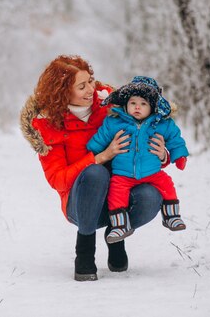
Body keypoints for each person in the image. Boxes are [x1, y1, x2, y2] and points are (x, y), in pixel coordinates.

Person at [20, 55, 169, 282]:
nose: (91, 89)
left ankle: (115, 235)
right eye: (82, 86)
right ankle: (85, 252)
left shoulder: (113, 106)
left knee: (151, 195)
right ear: (63, 92)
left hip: (119, 193)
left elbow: (145, 136)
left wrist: (162, 155)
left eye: (90, 80)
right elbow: (58, 180)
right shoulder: (48, 124)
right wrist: (100, 157)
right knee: (95, 173)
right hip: (79, 204)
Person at [86, 76, 189, 244]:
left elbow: (175, 139)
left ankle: (172, 216)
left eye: (143, 104)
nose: (137, 107)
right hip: (123, 174)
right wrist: (93, 151)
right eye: (133, 103)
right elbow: (100, 139)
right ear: (126, 104)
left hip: (152, 173)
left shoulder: (161, 124)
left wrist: (179, 157)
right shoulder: (114, 123)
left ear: (153, 107)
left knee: (167, 185)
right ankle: (119, 225)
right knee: (116, 195)